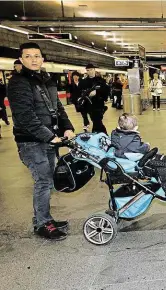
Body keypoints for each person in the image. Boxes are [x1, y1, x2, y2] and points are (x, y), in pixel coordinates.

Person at [7, 42, 75, 240]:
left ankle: (45, 218)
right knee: (43, 181)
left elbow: (58, 108)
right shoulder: (19, 82)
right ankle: (42, 224)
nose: (33, 59)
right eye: (28, 56)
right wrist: (49, 136)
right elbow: (25, 116)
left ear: (42, 58)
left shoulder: (47, 80)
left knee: (48, 180)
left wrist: (67, 127)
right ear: (21, 60)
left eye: (37, 56)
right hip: (31, 142)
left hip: (49, 140)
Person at [79, 63, 109, 134]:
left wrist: (97, 92)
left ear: (94, 70)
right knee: (96, 121)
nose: (90, 71)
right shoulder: (84, 82)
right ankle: (102, 135)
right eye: (88, 70)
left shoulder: (100, 80)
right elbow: (80, 92)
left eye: (91, 70)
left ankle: (99, 134)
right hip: (89, 106)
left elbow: (106, 90)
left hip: (99, 105)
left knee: (97, 121)